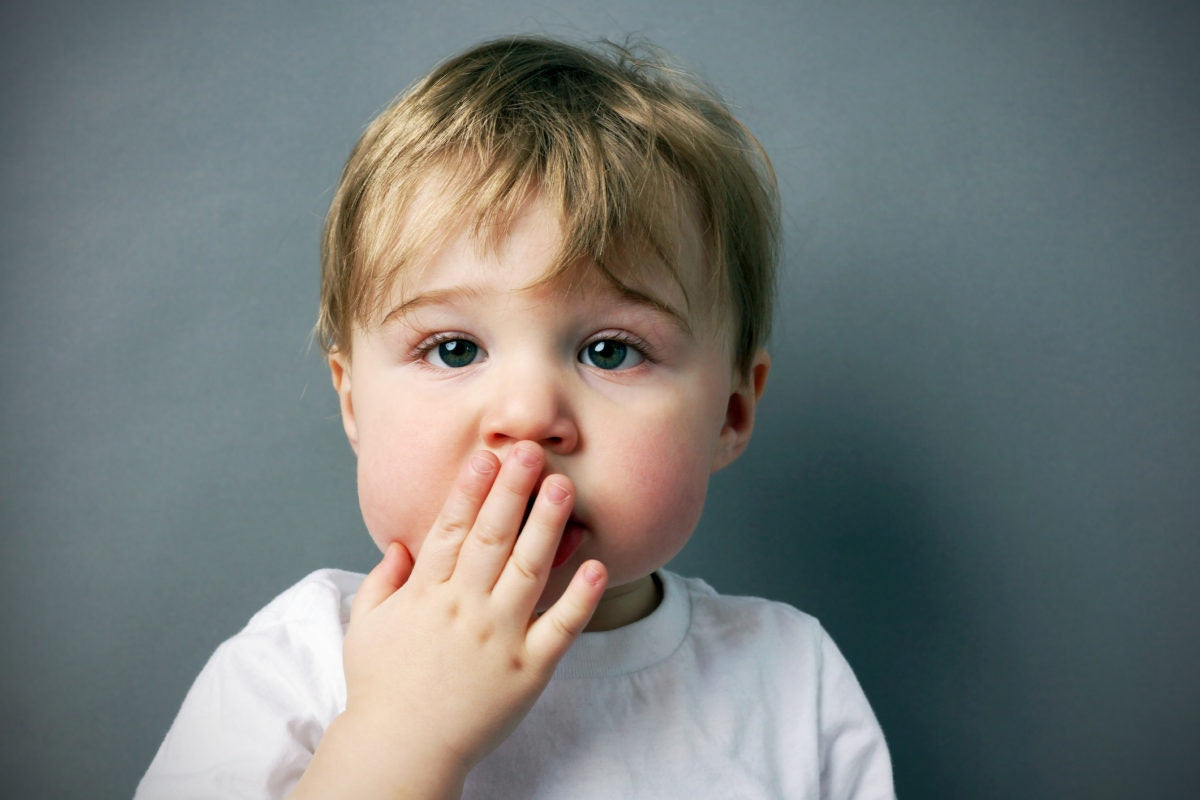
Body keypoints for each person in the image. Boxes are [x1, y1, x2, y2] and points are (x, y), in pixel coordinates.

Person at [136, 35, 895, 799]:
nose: (529, 416)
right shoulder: (295, 665)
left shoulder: (793, 682)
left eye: (609, 351)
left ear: (730, 413)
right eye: (456, 349)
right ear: (353, 401)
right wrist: (402, 728)